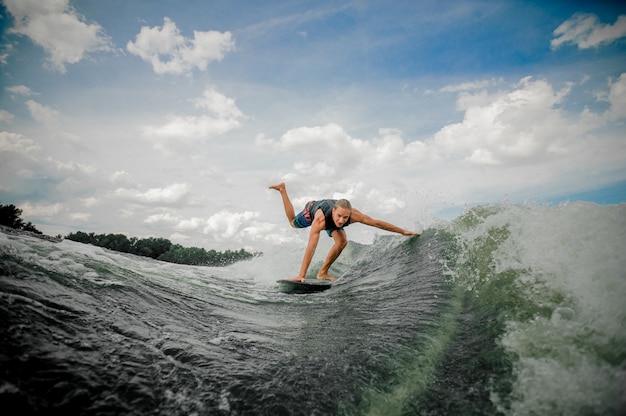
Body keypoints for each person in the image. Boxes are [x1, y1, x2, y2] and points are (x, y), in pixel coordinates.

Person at [269, 182, 420, 282]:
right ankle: (282, 189)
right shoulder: (320, 220)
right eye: (339, 216)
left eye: (345, 217)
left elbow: (376, 223)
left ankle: (322, 273)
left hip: (330, 219)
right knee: (292, 224)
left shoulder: (353, 216)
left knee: (342, 241)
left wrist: (402, 231)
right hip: (312, 209)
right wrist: (301, 276)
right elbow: (311, 246)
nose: (342, 220)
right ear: (334, 211)